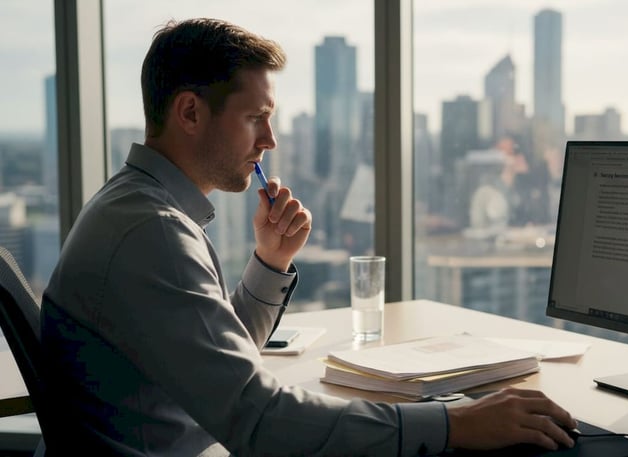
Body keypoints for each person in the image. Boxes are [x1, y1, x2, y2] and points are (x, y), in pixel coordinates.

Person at [41, 18, 577, 456]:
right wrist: (452, 424)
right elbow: (259, 421)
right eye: (255, 119)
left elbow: (217, 366)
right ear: (189, 111)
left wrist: (269, 265)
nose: (269, 140)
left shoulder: (140, 208)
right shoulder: (153, 232)